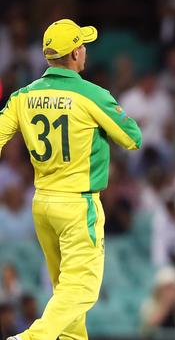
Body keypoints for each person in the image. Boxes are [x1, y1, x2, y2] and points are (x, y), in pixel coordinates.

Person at [0, 18, 142, 340]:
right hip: (78, 205)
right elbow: (133, 138)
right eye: (84, 46)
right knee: (82, 289)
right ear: (77, 53)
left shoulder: (23, 96)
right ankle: (31, 337)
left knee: (65, 296)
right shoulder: (92, 95)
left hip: (42, 204)